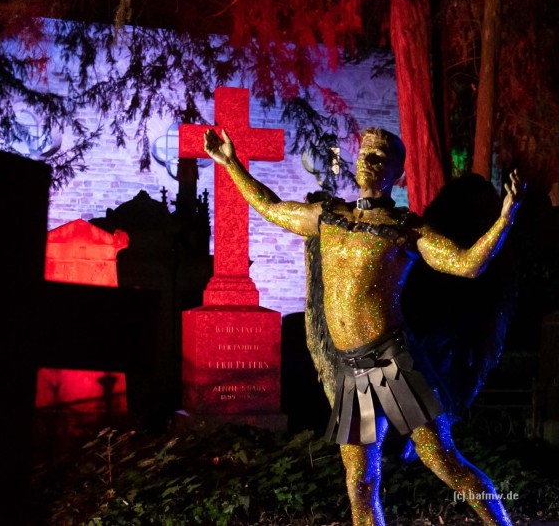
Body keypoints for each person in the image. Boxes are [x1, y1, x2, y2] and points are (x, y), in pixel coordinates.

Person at [202, 126, 521, 526]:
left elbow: (467, 263)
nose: (369, 160)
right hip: (352, 372)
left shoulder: (406, 228)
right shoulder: (329, 217)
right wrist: (231, 163)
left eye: (380, 156)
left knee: (444, 463)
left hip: (395, 365)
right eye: (365, 152)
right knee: (360, 482)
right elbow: (270, 206)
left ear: (396, 173)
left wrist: (504, 219)